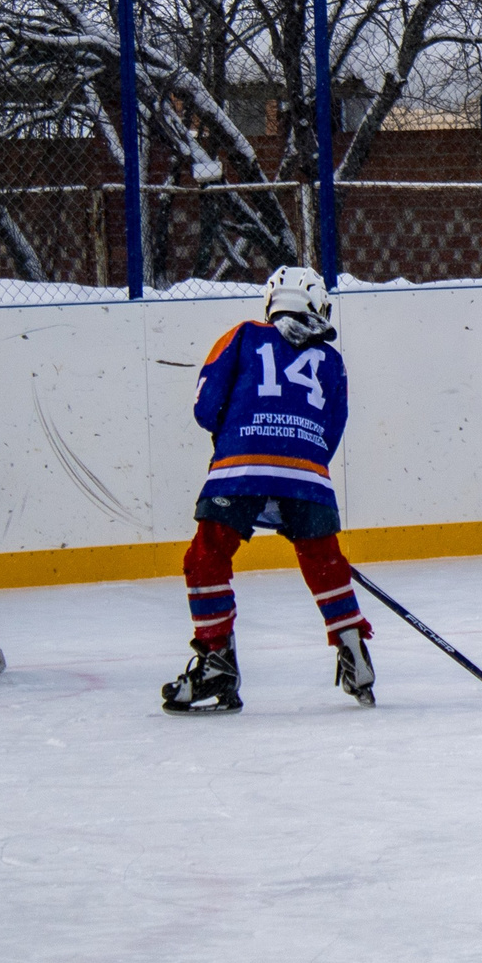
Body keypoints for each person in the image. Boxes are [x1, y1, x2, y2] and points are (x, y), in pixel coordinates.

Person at [161, 267, 374, 713]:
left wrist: (240, 440)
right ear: (314, 304)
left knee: (206, 557)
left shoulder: (241, 335)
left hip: (240, 466)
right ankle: (354, 648)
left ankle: (217, 659)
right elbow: (333, 428)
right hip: (307, 472)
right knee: (323, 558)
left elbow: (205, 406)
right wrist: (301, 463)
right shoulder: (332, 359)